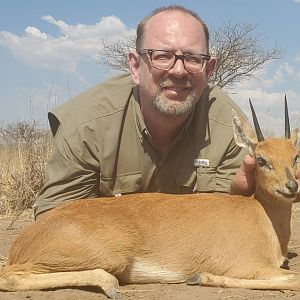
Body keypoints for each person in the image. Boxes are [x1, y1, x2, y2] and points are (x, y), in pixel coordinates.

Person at [33, 5, 256, 219]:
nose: (179, 70)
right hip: (111, 249)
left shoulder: (230, 126)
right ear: (135, 67)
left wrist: (241, 198)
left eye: (192, 58)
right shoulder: (87, 124)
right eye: (162, 56)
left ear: (208, 70)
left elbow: (229, 222)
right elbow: (53, 222)